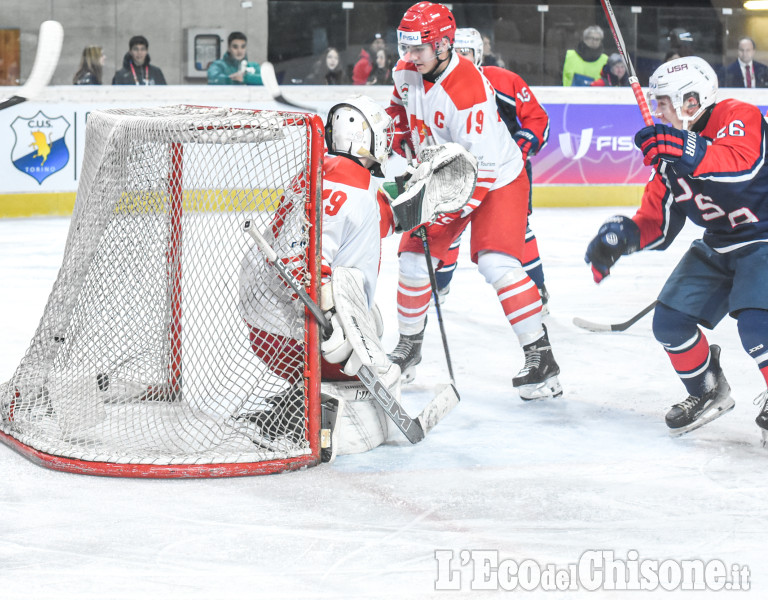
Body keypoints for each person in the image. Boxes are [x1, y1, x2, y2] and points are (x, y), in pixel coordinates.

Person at [585, 55, 768, 440]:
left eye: (664, 101)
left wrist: (683, 148)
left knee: (757, 324)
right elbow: (659, 226)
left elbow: (740, 165)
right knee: (669, 322)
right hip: (719, 244)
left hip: (764, 238)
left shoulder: (739, 115)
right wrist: (621, 239)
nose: (658, 110)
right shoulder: (670, 157)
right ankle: (707, 390)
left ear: (691, 100)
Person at [386, 2, 562, 401]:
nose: (410, 57)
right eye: (406, 46)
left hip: (497, 178)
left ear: (445, 44)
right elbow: (398, 109)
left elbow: (479, 174)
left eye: (419, 48)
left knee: (494, 261)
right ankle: (408, 349)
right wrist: (395, 143)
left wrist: (435, 209)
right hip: (446, 174)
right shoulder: (404, 71)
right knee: (414, 258)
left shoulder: (468, 92)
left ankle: (541, 356)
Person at [435, 27, 552, 312]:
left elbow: (538, 120)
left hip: (503, 174)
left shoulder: (503, 80)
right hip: (458, 172)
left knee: (518, 230)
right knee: (446, 227)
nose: (460, 58)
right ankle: (437, 286)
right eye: (455, 52)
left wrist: (520, 148)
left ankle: (536, 290)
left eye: (466, 52)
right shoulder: (436, 87)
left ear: (478, 54)